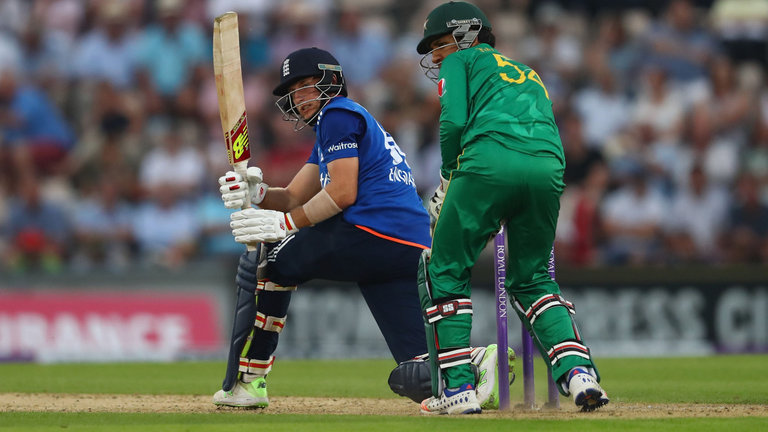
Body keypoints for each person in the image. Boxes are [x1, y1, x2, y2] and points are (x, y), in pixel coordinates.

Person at [210, 47, 509, 409]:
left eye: (306, 85)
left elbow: (341, 192)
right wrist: (256, 193)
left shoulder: (337, 114)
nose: (299, 97)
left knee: (273, 264)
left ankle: (250, 382)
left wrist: (284, 225)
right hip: (408, 248)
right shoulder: (339, 126)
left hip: (372, 230)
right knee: (416, 372)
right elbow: (291, 196)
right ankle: (474, 364)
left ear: (332, 81)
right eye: (293, 90)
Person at [415, 2, 609, 414]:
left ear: (464, 36)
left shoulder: (460, 61)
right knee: (533, 279)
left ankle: (458, 390)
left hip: (488, 162)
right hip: (547, 167)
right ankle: (579, 374)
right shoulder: (526, 70)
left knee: (444, 269)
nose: (434, 57)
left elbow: (452, 122)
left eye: (438, 45)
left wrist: (449, 177)